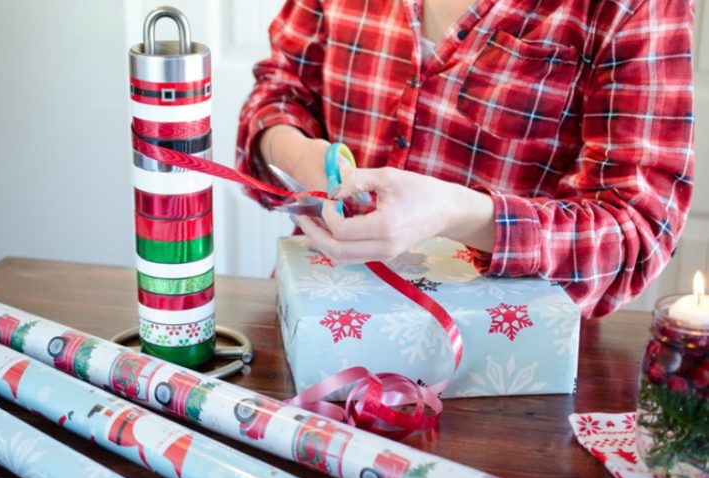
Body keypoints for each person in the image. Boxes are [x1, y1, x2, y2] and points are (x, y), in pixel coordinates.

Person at [236, 0, 695, 318]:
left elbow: (638, 231)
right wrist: (297, 153)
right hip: (311, 316)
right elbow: (279, 88)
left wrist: (461, 214)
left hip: (498, 369)